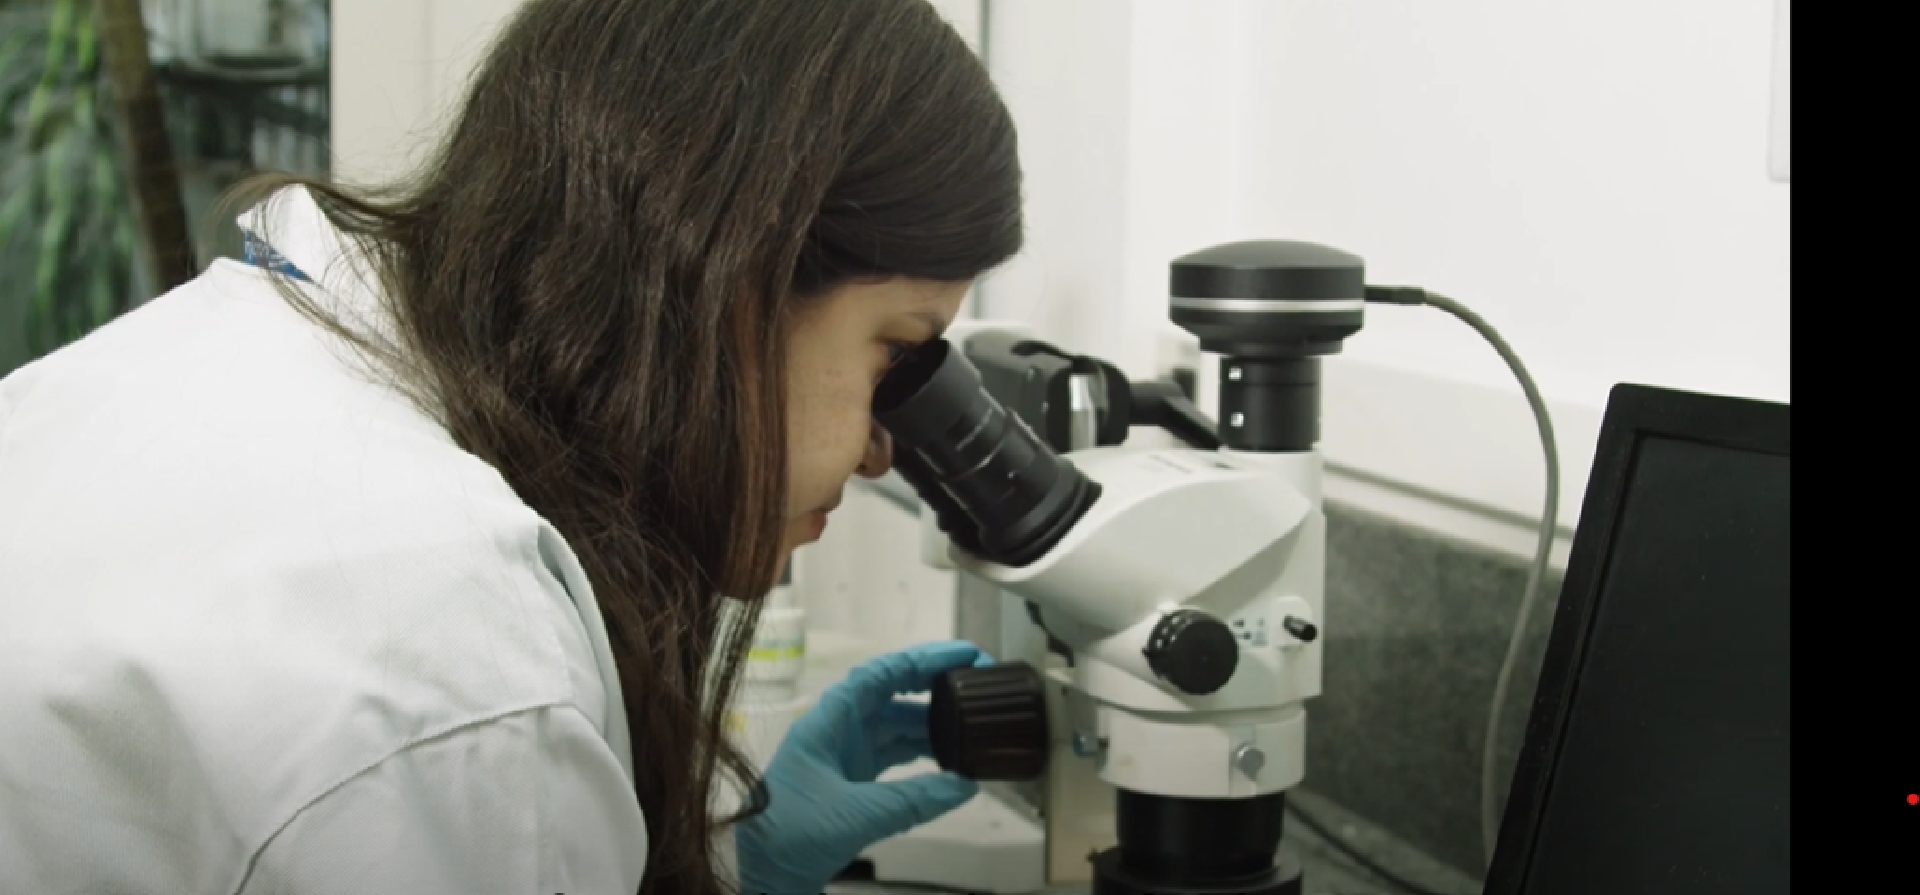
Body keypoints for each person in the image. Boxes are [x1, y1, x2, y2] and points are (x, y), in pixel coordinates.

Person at [0, 1, 1023, 892]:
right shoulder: (456, 668)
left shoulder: (235, 364)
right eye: (898, 354)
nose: (884, 454)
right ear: (730, 284)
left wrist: (726, 861)